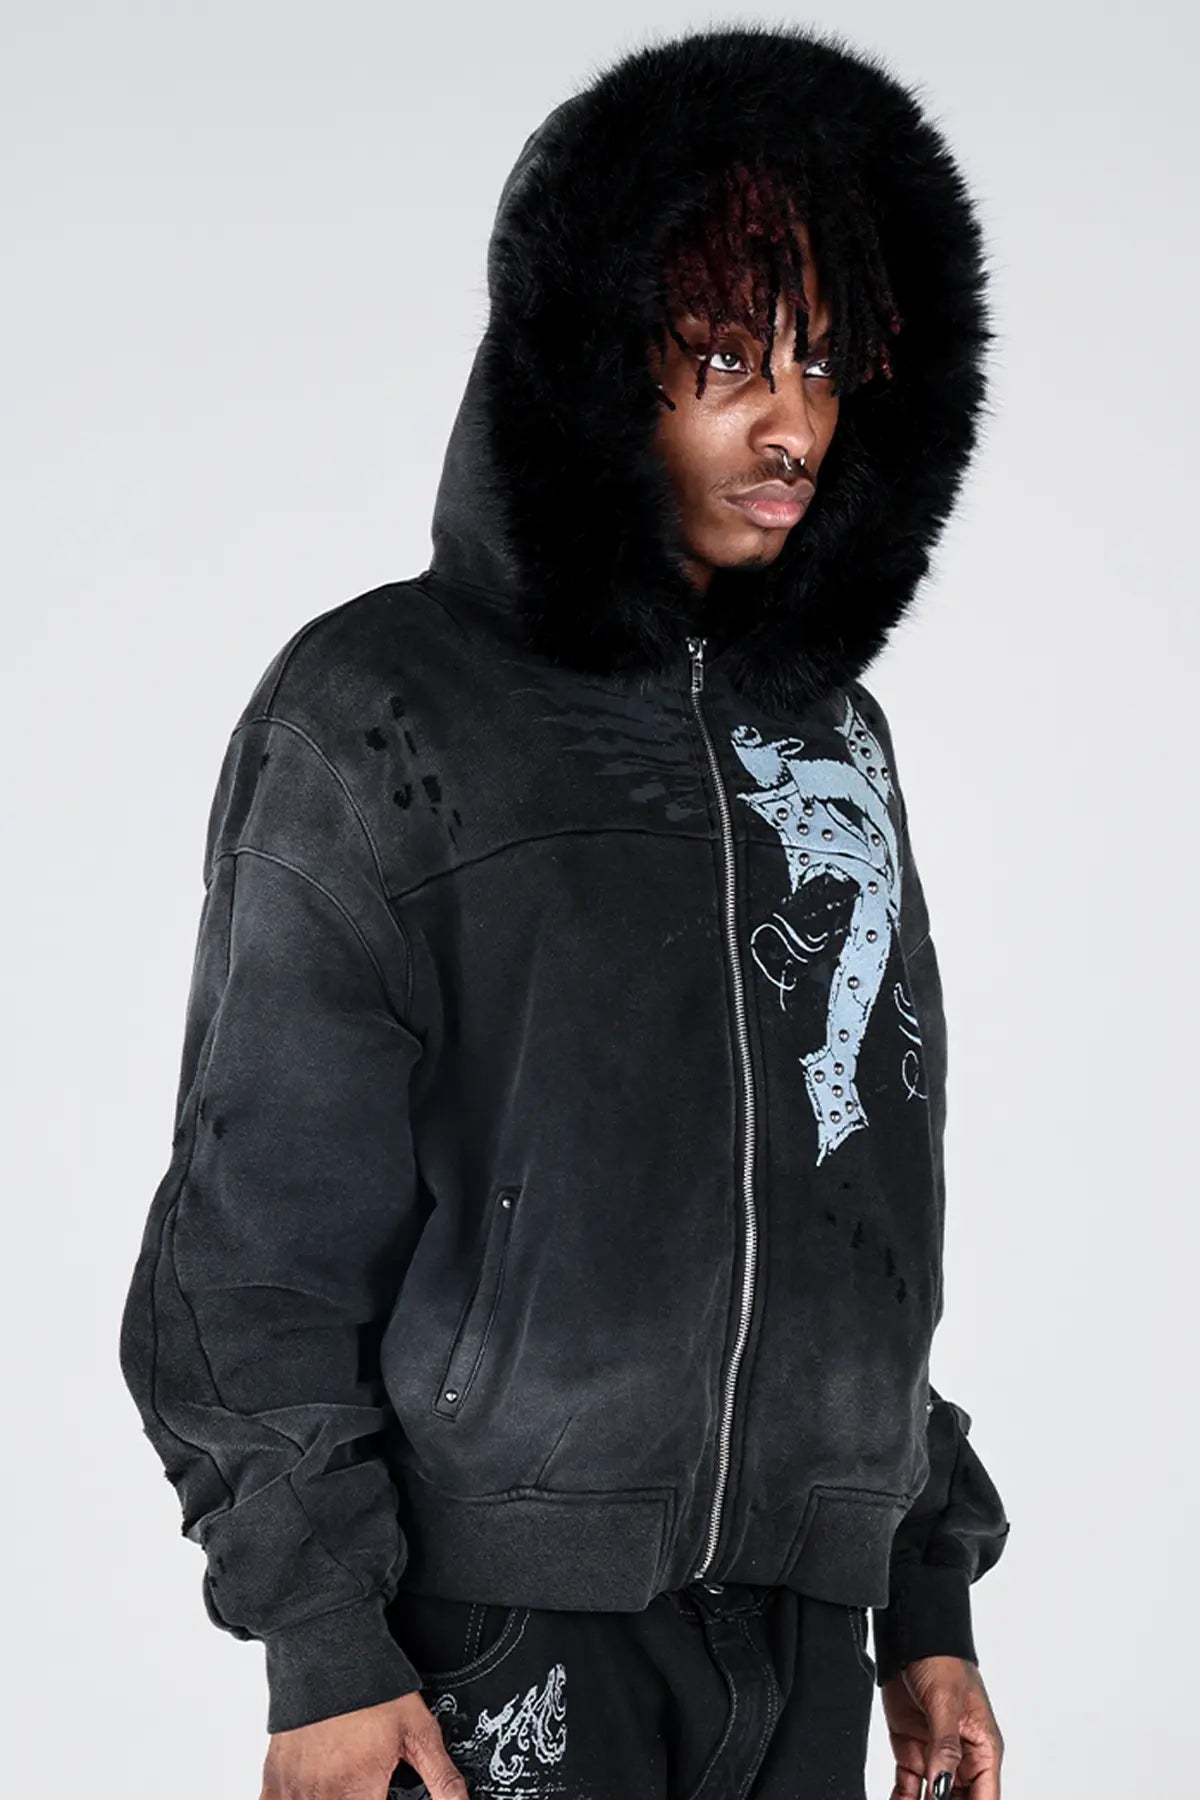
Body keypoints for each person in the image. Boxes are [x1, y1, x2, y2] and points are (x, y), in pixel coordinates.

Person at [119, 22, 1011, 1800]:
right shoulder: (381, 713)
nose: (792, 425)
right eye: (726, 358)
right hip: (495, 1631)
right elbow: (252, 1241)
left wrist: (922, 1595)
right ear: (598, 362)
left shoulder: (832, 738)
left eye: (824, 362)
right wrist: (323, 1645)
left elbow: (862, 1210)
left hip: (806, 1636)